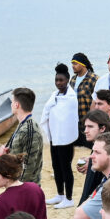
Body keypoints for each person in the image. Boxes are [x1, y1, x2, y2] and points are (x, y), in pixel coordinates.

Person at [41, 63, 78, 208]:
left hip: (65, 138)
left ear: (67, 80)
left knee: (65, 167)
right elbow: (48, 111)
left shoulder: (71, 97)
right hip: (55, 136)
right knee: (56, 166)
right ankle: (60, 195)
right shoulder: (54, 95)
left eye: (61, 80)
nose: (58, 83)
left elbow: (68, 118)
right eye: (56, 80)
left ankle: (69, 198)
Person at [0, 87, 43, 185]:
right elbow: (19, 152)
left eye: (12, 102)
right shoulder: (23, 124)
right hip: (17, 182)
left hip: (26, 187)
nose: (11, 104)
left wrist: (17, 187)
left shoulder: (30, 130)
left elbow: (28, 167)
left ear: (17, 105)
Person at [76, 109, 110, 212]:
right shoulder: (101, 148)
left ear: (102, 128)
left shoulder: (108, 152)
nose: (85, 131)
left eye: (90, 127)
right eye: (85, 126)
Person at [70, 52, 98, 146]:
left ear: (83, 64)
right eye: (72, 64)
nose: (73, 66)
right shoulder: (73, 79)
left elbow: (98, 100)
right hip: (75, 122)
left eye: (75, 63)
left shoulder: (94, 78)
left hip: (88, 121)